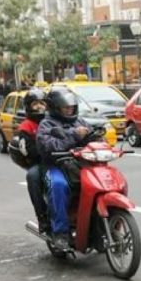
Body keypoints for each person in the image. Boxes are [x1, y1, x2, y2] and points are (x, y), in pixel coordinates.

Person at [36, 88, 94, 250]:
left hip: (80, 165)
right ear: (55, 107)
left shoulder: (80, 122)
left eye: (71, 106)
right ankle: (60, 233)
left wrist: (96, 137)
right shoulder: (46, 124)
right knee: (58, 186)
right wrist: (74, 136)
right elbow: (47, 146)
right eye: (65, 106)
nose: (69, 109)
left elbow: (96, 139)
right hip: (55, 166)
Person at [8, 89, 49, 233]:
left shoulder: (52, 121)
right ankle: (42, 217)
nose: (39, 107)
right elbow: (29, 151)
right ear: (28, 106)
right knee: (32, 176)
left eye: (42, 103)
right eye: (35, 104)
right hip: (40, 163)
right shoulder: (26, 126)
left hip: (60, 160)